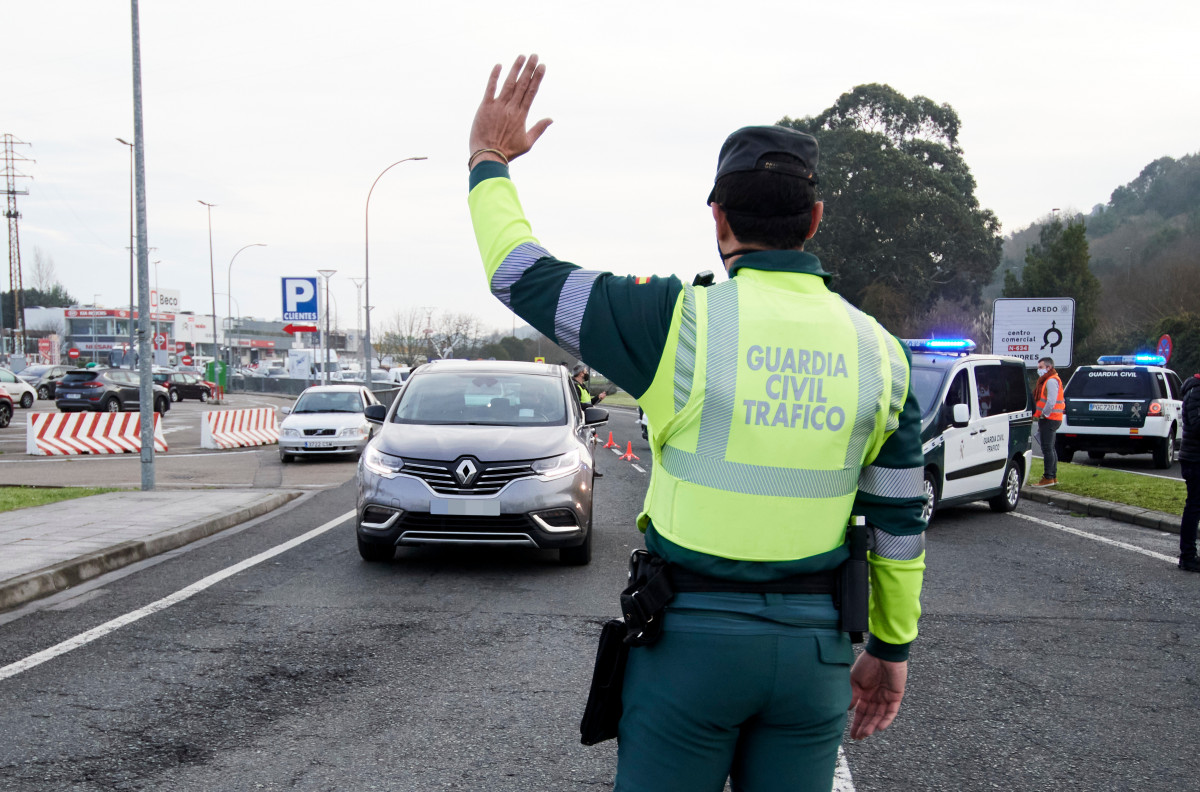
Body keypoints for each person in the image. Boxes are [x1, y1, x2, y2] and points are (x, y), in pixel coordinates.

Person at [465, 55, 926, 791]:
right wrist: (893, 648)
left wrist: (489, 160)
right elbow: (900, 525)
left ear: (718, 218)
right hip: (814, 656)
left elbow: (518, 272)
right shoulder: (883, 354)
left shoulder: (673, 323)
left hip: (689, 647)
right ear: (814, 220)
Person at [1178, 373, 1200, 572]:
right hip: (1195, 458)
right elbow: (1196, 424)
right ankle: (1188, 555)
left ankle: (1189, 554)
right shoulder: (1196, 391)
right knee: (1194, 506)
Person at [1032, 356, 1064, 487]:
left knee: (1047, 449)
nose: (1038, 370)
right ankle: (1053, 476)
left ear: (1049, 367)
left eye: (1041, 367)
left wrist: (1043, 414)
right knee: (1050, 448)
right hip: (1053, 418)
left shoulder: (1050, 381)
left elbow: (1051, 401)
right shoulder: (1050, 379)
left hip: (1049, 419)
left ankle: (1048, 477)